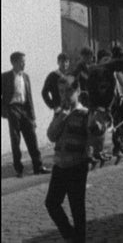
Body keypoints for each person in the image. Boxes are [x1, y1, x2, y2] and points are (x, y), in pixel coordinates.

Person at [45, 75, 92, 243]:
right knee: (51, 203)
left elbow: (94, 138)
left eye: (69, 91)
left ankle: (79, 239)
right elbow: (51, 135)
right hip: (60, 165)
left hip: (77, 166)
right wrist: (63, 115)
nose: (65, 95)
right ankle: (70, 237)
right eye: (61, 91)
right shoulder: (59, 113)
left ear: (78, 91)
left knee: (77, 208)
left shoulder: (85, 113)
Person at [1, 52, 49, 178]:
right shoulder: (5, 77)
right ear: (14, 62)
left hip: (25, 109)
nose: (24, 64)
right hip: (13, 109)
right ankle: (19, 169)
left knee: (32, 137)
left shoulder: (26, 77)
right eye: (22, 61)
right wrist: (4, 110)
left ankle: (38, 166)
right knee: (15, 140)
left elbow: (29, 97)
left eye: (24, 61)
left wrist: (32, 116)